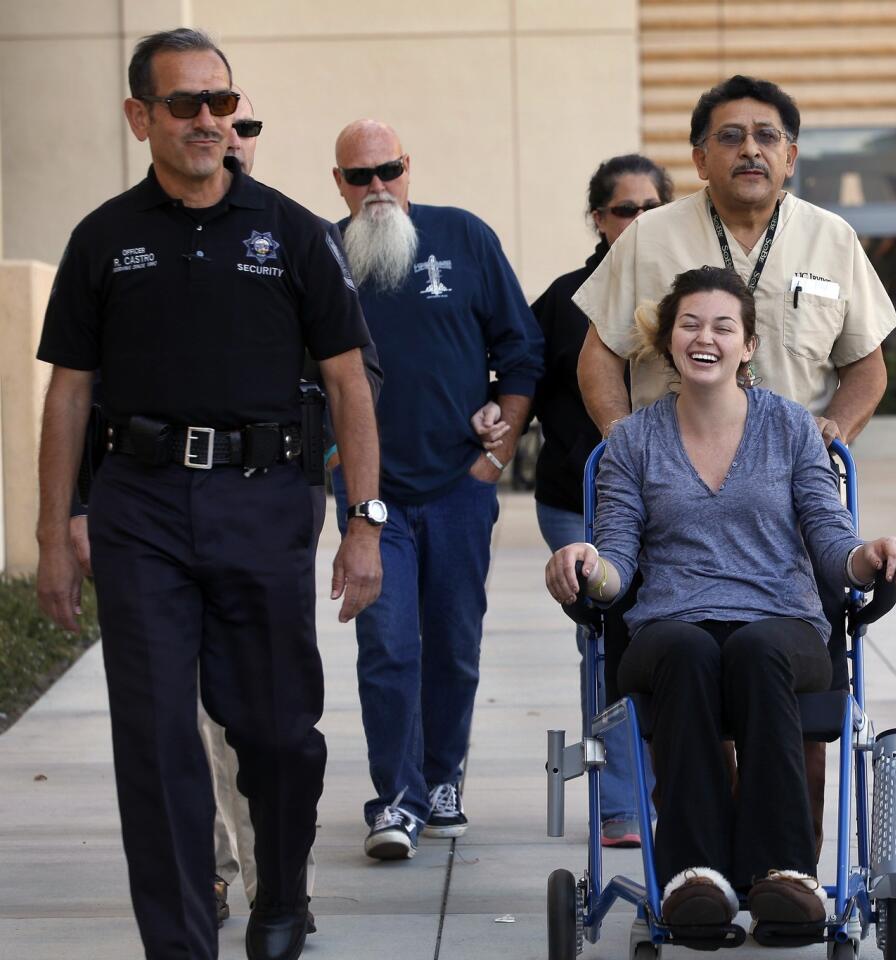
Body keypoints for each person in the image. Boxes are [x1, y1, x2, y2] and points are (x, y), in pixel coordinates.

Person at [34, 27, 381, 960]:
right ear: (139, 115)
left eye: (221, 103)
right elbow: (69, 392)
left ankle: (281, 893)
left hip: (265, 501)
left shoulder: (294, 232)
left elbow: (349, 383)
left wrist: (364, 523)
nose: (207, 121)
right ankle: (180, 943)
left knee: (274, 732)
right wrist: (52, 527)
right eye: (185, 105)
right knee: (153, 741)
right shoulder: (104, 238)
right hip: (139, 504)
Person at [573, 75, 896, 851]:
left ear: (791, 155)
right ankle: (701, 870)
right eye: (729, 135)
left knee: (783, 681)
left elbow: (868, 368)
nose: (749, 149)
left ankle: (783, 873)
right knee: (687, 667)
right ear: (698, 156)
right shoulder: (650, 237)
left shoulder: (831, 239)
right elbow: (597, 358)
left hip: (790, 500)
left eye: (766, 136)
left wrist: (827, 433)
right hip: (671, 501)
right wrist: (629, 445)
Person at [545, 267, 896, 929]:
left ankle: (782, 874)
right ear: (669, 342)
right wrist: (585, 565)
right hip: (670, 626)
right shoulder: (633, 441)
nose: (705, 337)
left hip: (783, 623)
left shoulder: (794, 430)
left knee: (758, 647)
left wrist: (870, 557)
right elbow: (618, 561)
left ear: (748, 345)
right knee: (687, 650)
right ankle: (695, 877)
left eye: (723, 326)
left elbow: (832, 542)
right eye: (690, 323)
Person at [329, 119, 544, 861]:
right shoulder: (325, 254)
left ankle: (442, 777)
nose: (376, 188)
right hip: (372, 496)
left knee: (452, 644)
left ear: (408, 167)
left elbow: (522, 350)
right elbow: (300, 377)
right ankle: (395, 798)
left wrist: (499, 450)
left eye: (386, 169)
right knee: (387, 645)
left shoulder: (465, 236)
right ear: (340, 185)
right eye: (359, 177)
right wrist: (337, 467)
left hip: (459, 483)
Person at [524, 154, 672, 848]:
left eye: (651, 209)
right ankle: (619, 805)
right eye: (624, 210)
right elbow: (518, 375)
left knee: (673, 639)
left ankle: (677, 790)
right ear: (599, 219)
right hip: (578, 504)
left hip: (673, 508)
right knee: (609, 644)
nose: (639, 222)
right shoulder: (564, 299)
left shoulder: (689, 302)